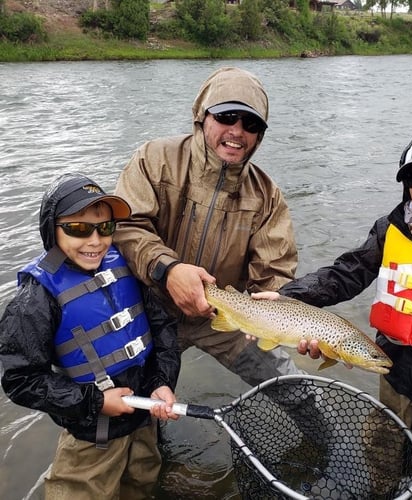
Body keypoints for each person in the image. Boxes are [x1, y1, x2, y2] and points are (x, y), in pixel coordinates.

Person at [255, 126, 412, 499]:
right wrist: (289, 296)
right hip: (394, 376)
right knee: (381, 464)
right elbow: (346, 273)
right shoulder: (391, 228)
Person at [113, 66, 303, 386]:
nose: (237, 131)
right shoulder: (153, 159)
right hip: (149, 308)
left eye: (251, 123)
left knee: (296, 388)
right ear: (202, 117)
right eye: (227, 116)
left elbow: (274, 277)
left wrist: (288, 323)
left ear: (259, 135)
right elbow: (125, 227)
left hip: (226, 316)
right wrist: (169, 270)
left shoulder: (266, 196)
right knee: (133, 405)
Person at [0, 173, 181, 500]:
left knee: (142, 485)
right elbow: (20, 379)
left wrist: (161, 381)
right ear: (51, 229)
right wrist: (95, 402)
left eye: (105, 227)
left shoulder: (127, 267)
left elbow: (163, 329)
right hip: (92, 437)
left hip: (145, 421)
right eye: (79, 229)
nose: (95, 240)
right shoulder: (36, 300)